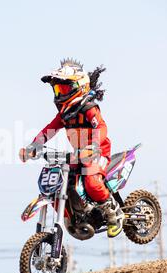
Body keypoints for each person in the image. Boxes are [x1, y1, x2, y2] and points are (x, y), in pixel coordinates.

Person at [19, 58, 123, 238]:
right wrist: (33, 147)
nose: (60, 93)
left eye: (64, 88)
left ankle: (114, 213)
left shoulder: (88, 108)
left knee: (91, 182)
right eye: (58, 89)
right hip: (78, 155)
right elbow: (48, 131)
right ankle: (74, 215)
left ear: (79, 87)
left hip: (97, 151)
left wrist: (94, 145)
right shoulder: (65, 113)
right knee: (59, 184)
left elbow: (101, 127)